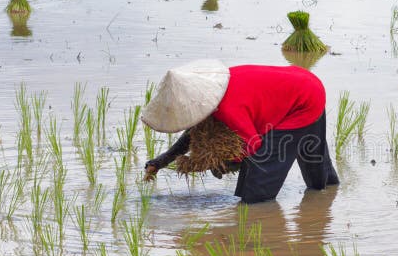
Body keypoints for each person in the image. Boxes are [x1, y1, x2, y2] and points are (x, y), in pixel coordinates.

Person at [142, 60, 339, 204]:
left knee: (258, 181)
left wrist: (222, 163)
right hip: (303, 82)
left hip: (302, 100)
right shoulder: (215, 89)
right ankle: (328, 195)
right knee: (315, 158)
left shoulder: (228, 109)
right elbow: (194, 133)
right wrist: (160, 162)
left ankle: (257, 211)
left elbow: (252, 144)